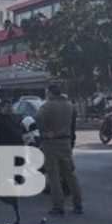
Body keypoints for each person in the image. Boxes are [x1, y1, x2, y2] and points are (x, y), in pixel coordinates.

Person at [35, 84, 83, 214]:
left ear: (50, 93)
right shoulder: (69, 105)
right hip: (66, 141)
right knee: (70, 174)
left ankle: (58, 206)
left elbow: (37, 117)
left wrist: (44, 131)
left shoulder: (48, 105)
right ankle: (78, 204)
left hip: (52, 143)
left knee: (54, 176)